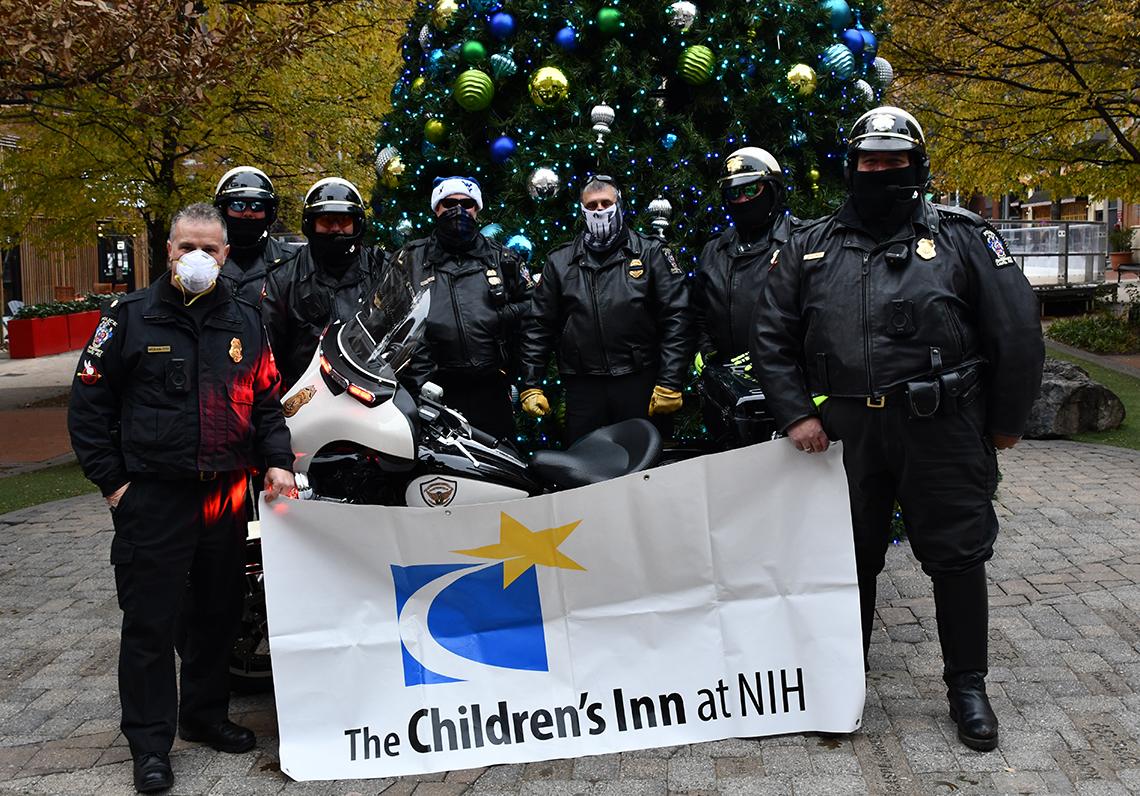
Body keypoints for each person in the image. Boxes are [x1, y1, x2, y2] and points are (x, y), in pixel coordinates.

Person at [751, 106, 1044, 753]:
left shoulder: (965, 237)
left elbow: (1017, 331)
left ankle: (968, 689)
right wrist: (796, 412)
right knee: (847, 561)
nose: (881, 172)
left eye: (895, 161)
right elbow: (771, 336)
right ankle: (840, 687)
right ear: (851, 166)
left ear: (917, 166)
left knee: (958, 557)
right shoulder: (810, 245)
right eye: (869, 161)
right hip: (846, 436)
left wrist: (1005, 425)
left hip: (941, 428)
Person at [67, 203, 296, 793]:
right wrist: (115, 486)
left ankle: (204, 715)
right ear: (167, 250)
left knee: (216, 613)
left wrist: (275, 460)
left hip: (224, 495)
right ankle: (149, 743)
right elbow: (89, 409)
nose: (198, 258)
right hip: (155, 496)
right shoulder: (127, 318)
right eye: (186, 246)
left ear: (225, 254)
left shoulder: (247, 317)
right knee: (150, 621)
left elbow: (267, 400)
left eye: (210, 249)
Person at [519, 175, 691, 444]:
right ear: (582, 209)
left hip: (640, 384)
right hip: (583, 389)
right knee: (587, 471)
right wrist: (531, 384)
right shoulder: (560, 262)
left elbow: (677, 317)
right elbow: (539, 324)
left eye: (605, 203)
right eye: (592, 205)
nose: (599, 210)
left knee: (647, 469)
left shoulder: (650, 253)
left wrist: (670, 381)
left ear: (619, 205)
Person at [390, 176, 533, 439]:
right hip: (432, 391)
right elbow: (390, 322)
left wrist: (501, 316)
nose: (458, 210)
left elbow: (533, 307)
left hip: (490, 387)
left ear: (477, 209)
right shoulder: (409, 260)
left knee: (498, 466)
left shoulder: (503, 258)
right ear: (436, 208)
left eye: (466, 203)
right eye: (449, 203)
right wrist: (419, 382)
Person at [692, 147, 797, 446]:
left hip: (787, 389)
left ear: (773, 189)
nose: (741, 200)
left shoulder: (799, 243)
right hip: (728, 391)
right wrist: (706, 353)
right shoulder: (714, 250)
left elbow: (819, 314)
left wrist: (768, 355)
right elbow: (698, 312)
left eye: (751, 190)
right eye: (733, 193)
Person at [262, 177, 386, 390]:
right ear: (311, 224)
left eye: (345, 221)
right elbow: (267, 353)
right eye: (327, 221)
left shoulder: (381, 268)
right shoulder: (283, 277)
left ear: (358, 224)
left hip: (375, 393)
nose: (336, 229)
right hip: (305, 398)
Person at [213, 166, 301, 306]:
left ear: (269, 214)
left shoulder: (293, 260)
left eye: (257, 206)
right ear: (222, 211)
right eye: (238, 205)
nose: (248, 213)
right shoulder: (206, 258)